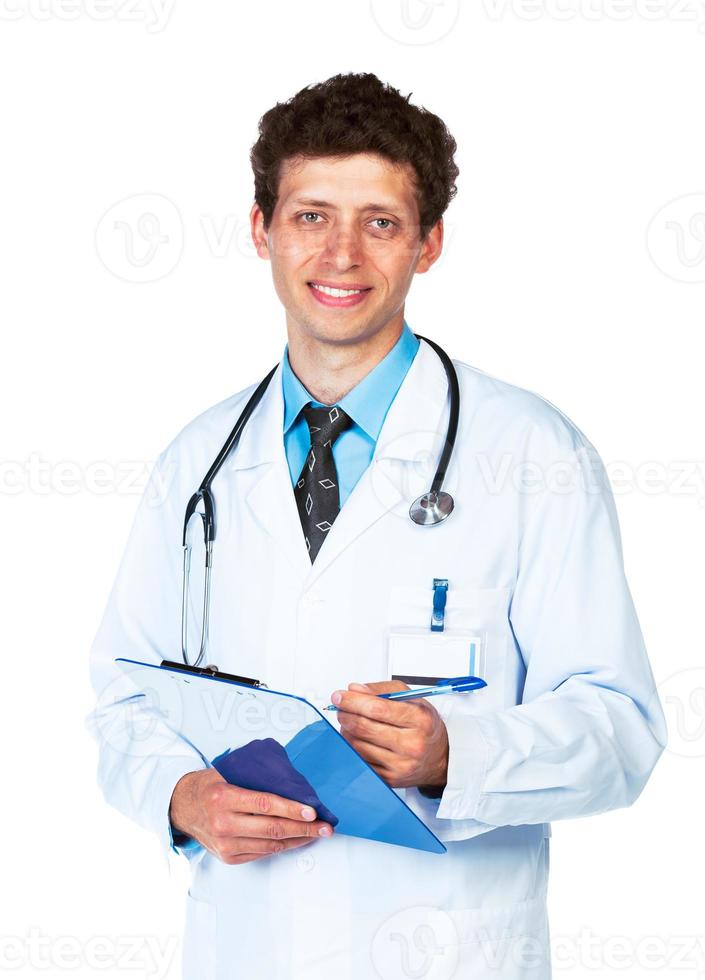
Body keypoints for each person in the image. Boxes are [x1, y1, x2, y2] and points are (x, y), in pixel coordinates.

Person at [87, 72, 667, 980]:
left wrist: (456, 754)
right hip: (248, 944)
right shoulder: (195, 461)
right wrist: (182, 795)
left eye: (381, 222)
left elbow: (621, 729)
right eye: (312, 216)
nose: (341, 254)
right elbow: (124, 698)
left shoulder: (530, 453)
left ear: (428, 243)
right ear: (261, 231)